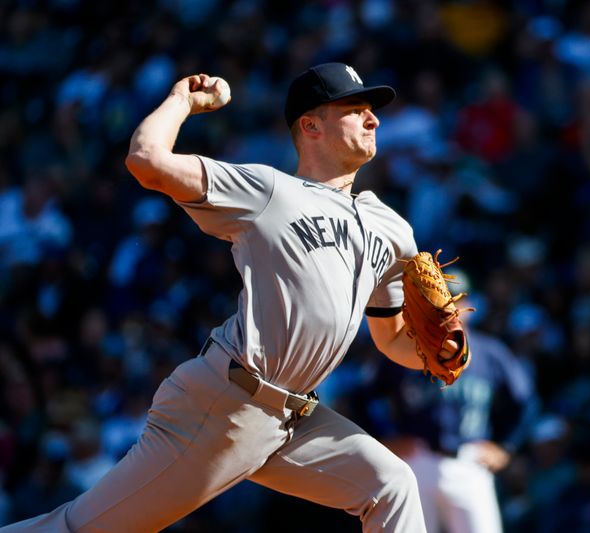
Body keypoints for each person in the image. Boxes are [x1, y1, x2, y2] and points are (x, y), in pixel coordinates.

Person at [2, 62, 464, 532]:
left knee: (392, 485)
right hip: (224, 404)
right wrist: (182, 100)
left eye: (372, 111)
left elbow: (393, 341)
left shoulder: (392, 229)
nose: (374, 119)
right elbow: (145, 160)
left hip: (293, 419)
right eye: (355, 108)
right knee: (82, 529)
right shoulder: (268, 190)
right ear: (310, 125)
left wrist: (443, 349)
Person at [368, 287, 536, 533]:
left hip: (469, 461)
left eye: (456, 299)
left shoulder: (490, 352)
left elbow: (524, 402)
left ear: (469, 304)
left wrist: (505, 446)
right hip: (416, 461)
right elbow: (365, 399)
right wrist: (384, 439)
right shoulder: (405, 347)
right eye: (440, 299)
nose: (448, 307)